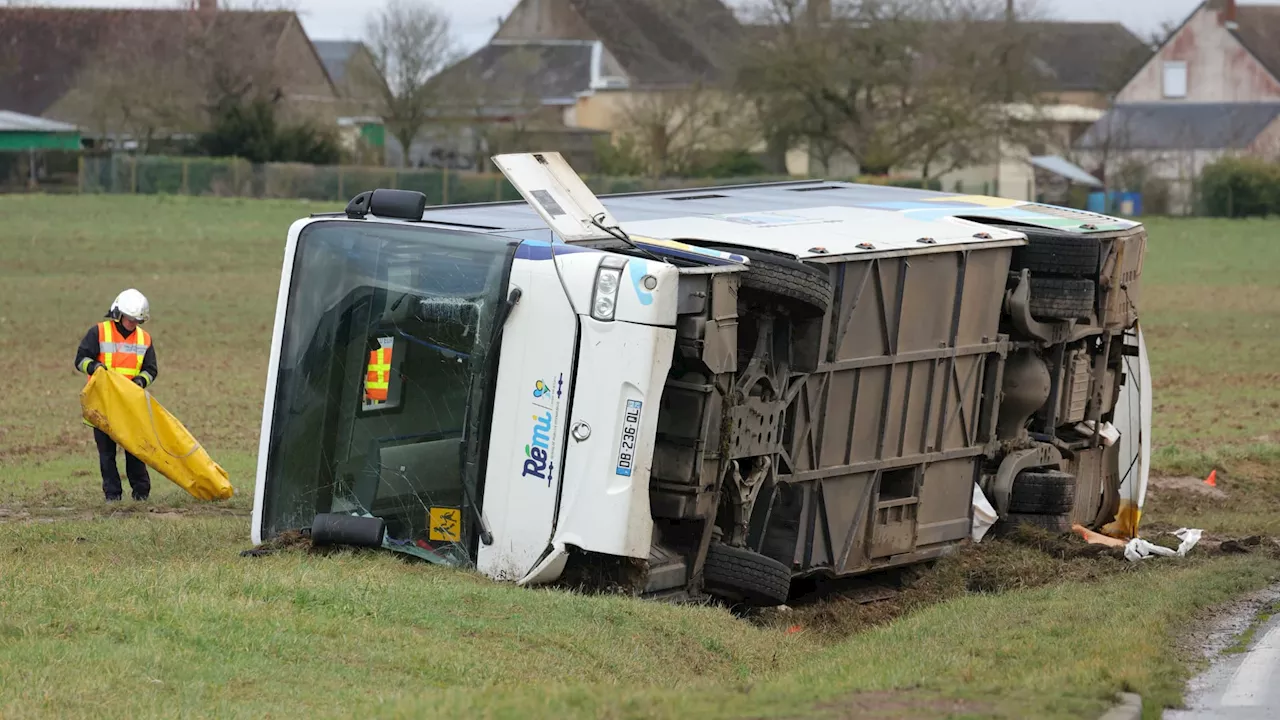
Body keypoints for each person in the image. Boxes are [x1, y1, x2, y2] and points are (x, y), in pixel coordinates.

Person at [74, 289, 157, 502]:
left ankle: (141, 494)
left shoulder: (145, 339)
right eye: (130, 318)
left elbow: (151, 370)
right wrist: (94, 366)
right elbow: (80, 359)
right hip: (103, 404)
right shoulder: (98, 332)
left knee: (135, 452)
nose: (133, 323)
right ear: (118, 314)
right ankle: (112, 496)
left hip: (130, 406)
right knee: (107, 455)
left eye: (137, 320)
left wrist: (141, 381)